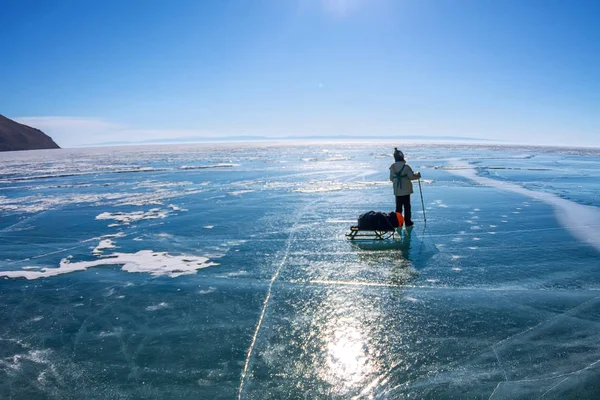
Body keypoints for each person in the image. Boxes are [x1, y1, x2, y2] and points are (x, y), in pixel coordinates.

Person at [389, 148, 421, 226]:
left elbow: (391, 178)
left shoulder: (392, 167)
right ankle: (407, 221)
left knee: (398, 207)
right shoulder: (406, 167)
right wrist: (417, 176)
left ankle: (398, 222)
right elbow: (411, 177)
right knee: (407, 206)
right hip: (406, 189)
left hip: (397, 190)